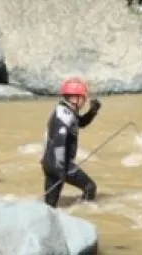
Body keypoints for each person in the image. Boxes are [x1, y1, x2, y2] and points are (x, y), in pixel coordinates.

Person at [41, 78, 101, 208]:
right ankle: (84, 214)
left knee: (50, 205)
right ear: (75, 98)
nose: (84, 101)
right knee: (90, 187)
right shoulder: (65, 116)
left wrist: (92, 112)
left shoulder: (64, 110)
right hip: (60, 163)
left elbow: (80, 123)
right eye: (83, 98)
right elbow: (59, 141)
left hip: (49, 162)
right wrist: (61, 170)